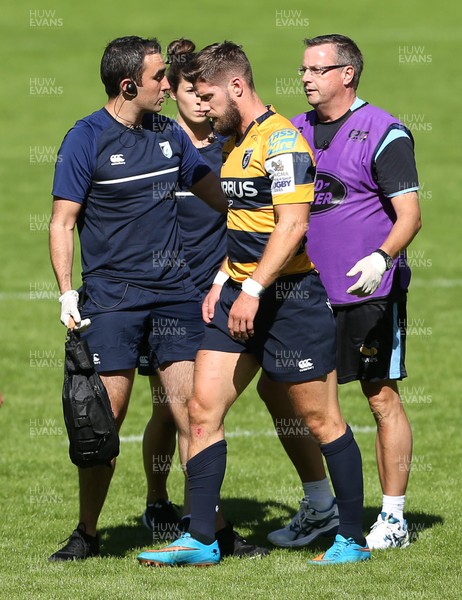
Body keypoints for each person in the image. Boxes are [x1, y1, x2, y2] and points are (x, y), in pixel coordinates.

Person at [136, 41, 370, 567]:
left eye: (208, 96)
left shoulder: (283, 143)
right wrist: (223, 279)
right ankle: (201, 538)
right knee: (202, 409)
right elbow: (243, 226)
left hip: (288, 299)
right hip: (238, 293)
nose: (204, 108)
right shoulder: (232, 142)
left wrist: (253, 290)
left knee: (319, 418)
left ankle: (351, 539)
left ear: (236, 87)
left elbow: (292, 227)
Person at [48, 35, 227, 561]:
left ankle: (210, 528)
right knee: (101, 423)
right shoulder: (85, 139)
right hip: (112, 300)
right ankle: (87, 531)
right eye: (159, 80)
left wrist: (271, 215)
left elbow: (215, 193)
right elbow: (63, 222)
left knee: (197, 414)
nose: (170, 87)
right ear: (130, 86)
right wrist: (66, 293)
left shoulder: (168, 133)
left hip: (175, 297)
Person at [264, 33, 421, 551]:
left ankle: (393, 518)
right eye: (303, 70)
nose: (306, 78)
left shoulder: (385, 132)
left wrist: (382, 257)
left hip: (369, 294)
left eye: (317, 70)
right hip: (308, 294)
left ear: (347, 73)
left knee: (380, 398)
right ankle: (320, 506)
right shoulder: (294, 131)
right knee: (288, 394)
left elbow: (410, 217)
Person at [139, 38, 267, 558]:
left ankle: (200, 522)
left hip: (213, 293)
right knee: (168, 412)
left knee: (196, 411)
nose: (196, 100)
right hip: (168, 293)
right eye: (186, 90)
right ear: (172, 93)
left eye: (202, 91)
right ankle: (160, 502)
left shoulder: (227, 148)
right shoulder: (162, 146)